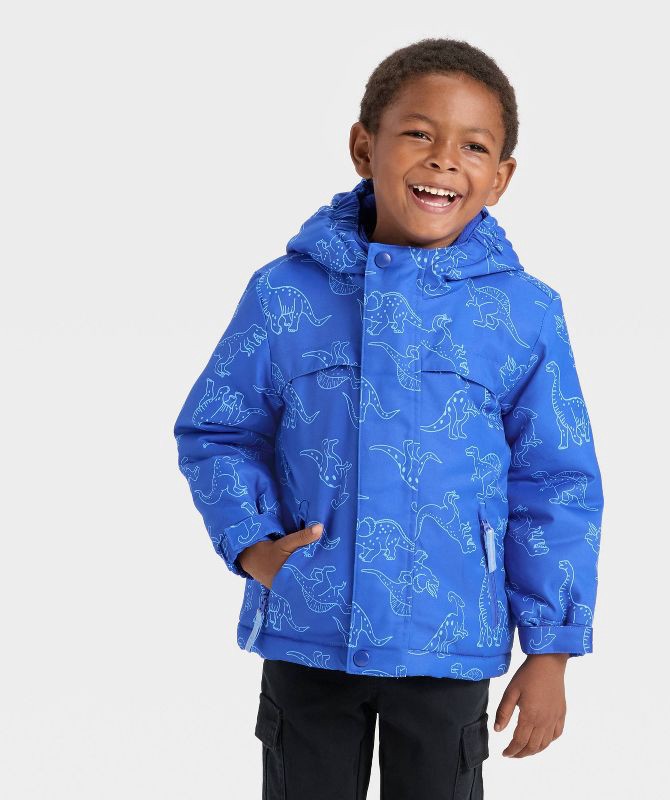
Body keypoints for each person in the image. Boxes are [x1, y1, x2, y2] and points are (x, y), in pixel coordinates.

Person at [173, 37, 604, 800]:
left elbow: (555, 483)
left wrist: (551, 649)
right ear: (364, 147)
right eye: (419, 133)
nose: (444, 160)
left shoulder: (524, 312)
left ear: (501, 178)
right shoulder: (286, 294)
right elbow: (218, 430)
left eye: (474, 146)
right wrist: (252, 544)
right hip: (310, 626)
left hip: (448, 635)